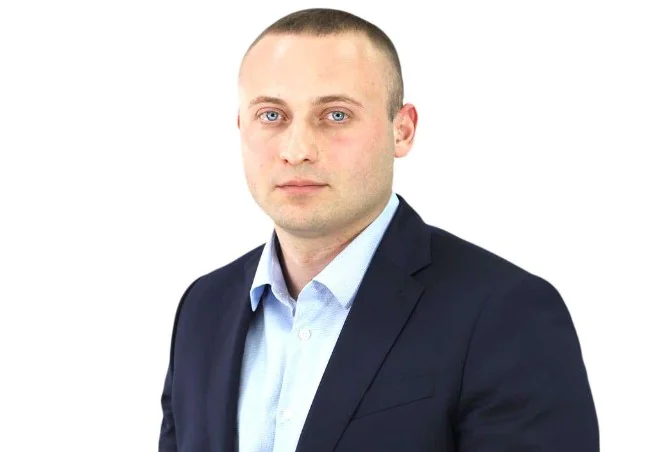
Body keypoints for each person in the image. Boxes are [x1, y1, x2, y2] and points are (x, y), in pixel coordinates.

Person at [158, 7, 599, 452]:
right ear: (241, 127)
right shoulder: (203, 309)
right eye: (272, 115)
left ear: (402, 131)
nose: (297, 150)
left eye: (335, 115)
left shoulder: (505, 314)